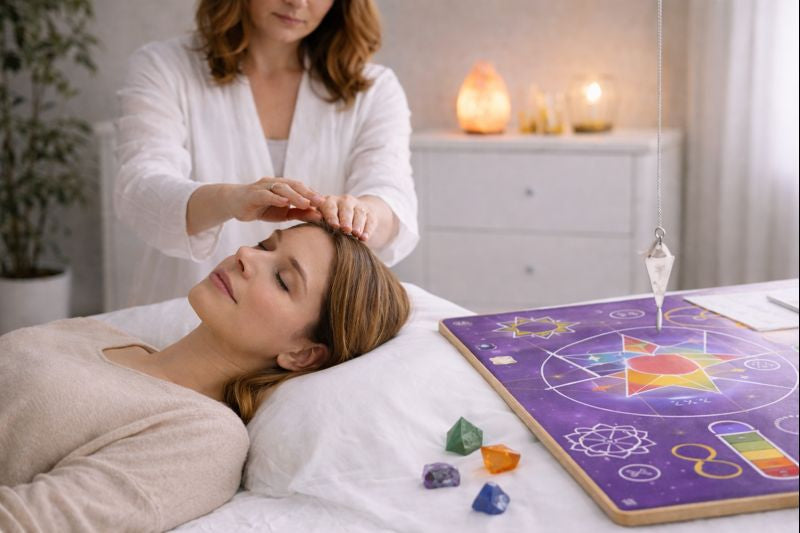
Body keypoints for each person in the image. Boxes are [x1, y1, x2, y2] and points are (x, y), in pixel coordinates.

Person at [0, 221, 410, 532]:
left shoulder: (204, 437)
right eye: (265, 246)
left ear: (301, 354)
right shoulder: (100, 334)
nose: (246, 255)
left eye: (283, 280)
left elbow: (29, 523)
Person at [115, 0, 418, 306]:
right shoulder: (164, 67)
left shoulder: (374, 89)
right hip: (182, 309)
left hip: (305, 325)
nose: (297, 2)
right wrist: (230, 200)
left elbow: (392, 197)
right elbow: (140, 186)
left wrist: (362, 214)